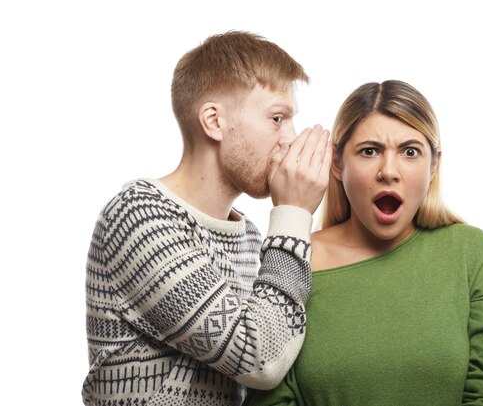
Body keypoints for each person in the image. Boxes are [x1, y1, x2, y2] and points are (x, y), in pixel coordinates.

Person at [82, 31, 332, 406]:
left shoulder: (247, 234)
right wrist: (294, 213)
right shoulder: (138, 216)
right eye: (277, 118)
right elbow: (260, 358)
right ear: (214, 122)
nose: (289, 139)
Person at [244, 80, 483, 405]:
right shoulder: (294, 260)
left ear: (433, 165)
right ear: (337, 163)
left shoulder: (471, 253)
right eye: (369, 151)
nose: (388, 171)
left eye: (410, 152)